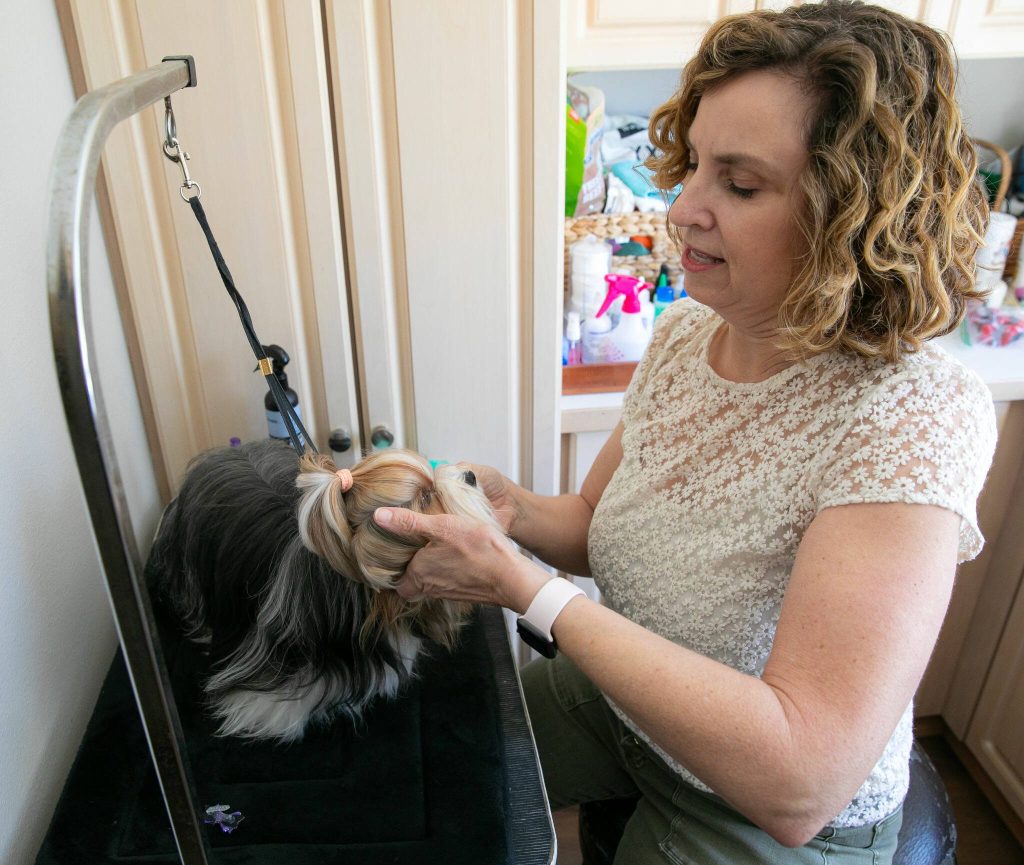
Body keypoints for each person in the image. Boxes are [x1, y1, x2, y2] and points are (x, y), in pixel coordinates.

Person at [372, 2, 997, 862]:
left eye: (740, 185)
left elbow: (800, 779)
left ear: (851, 216)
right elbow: (593, 525)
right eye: (695, 165)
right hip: (634, 708)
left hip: (762, 799)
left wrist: (528, 589)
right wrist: (507, 508)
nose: (684, 207)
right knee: (437, 781)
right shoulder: (685, 334)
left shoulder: (910, 415)